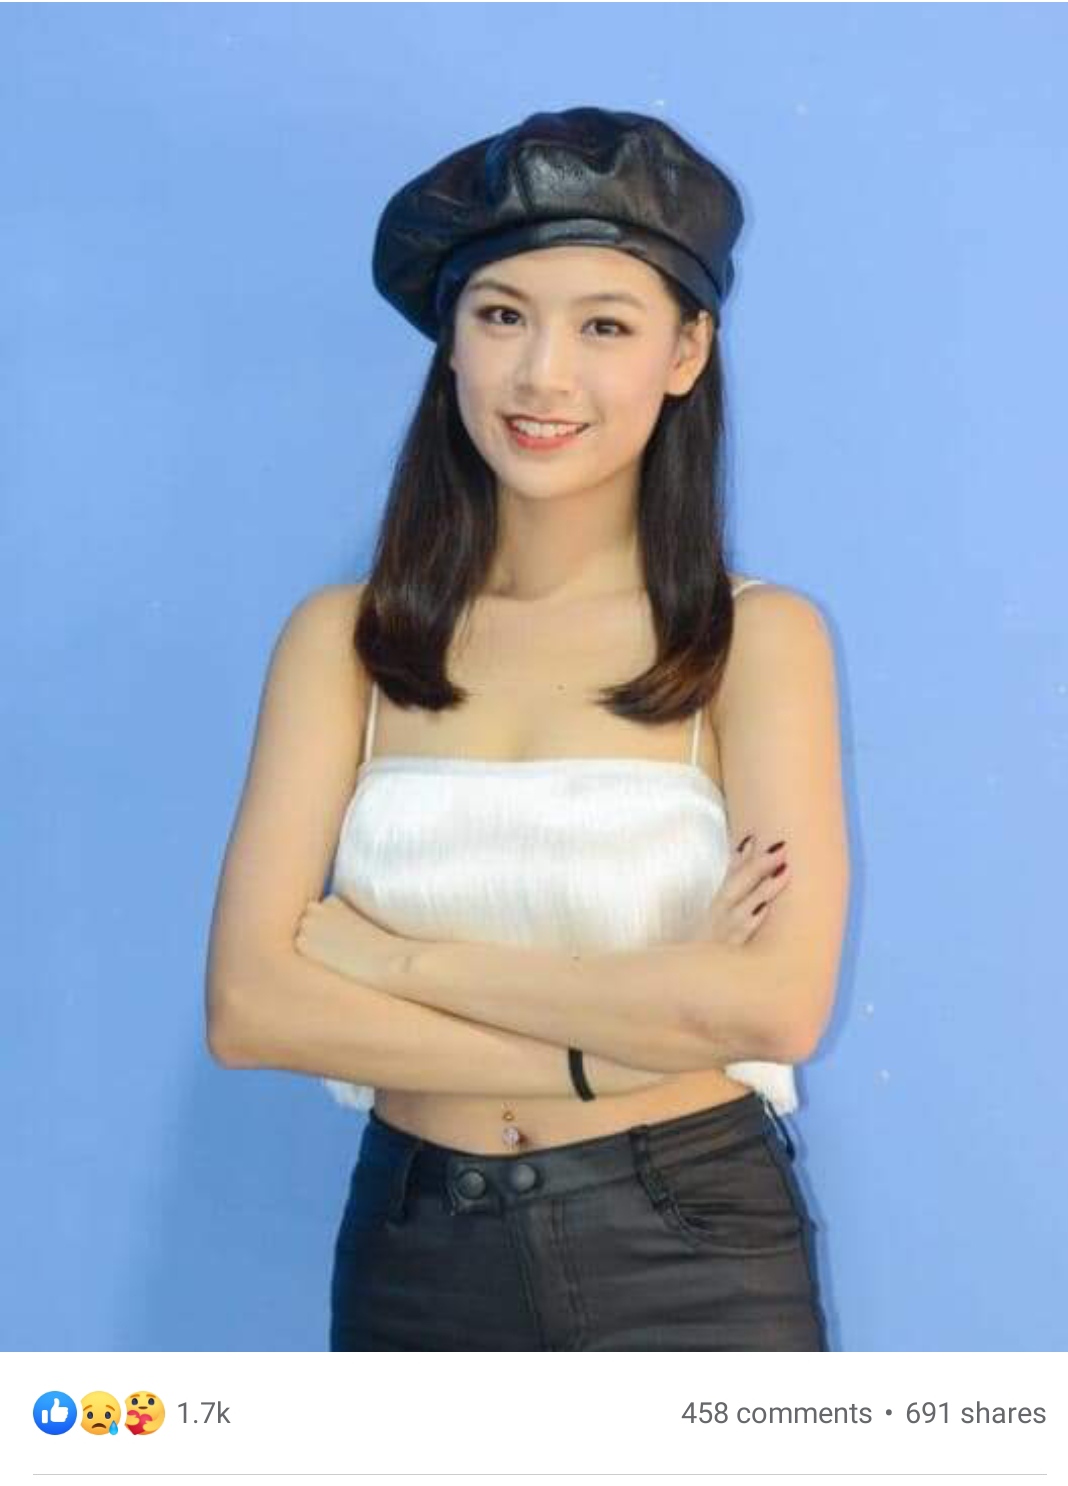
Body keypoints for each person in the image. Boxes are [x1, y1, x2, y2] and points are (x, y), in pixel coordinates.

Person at [206, 107, 850, 1351]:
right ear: (450, 341)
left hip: (693, 1242)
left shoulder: (756, 639)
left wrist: (394, 961)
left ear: (686, 350)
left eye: (604, 325)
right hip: (414, 1248)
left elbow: (773, 1007)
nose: (543, 375)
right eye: (502, 315)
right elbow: (250, 1004)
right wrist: (626, 1032)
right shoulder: (344, 640)